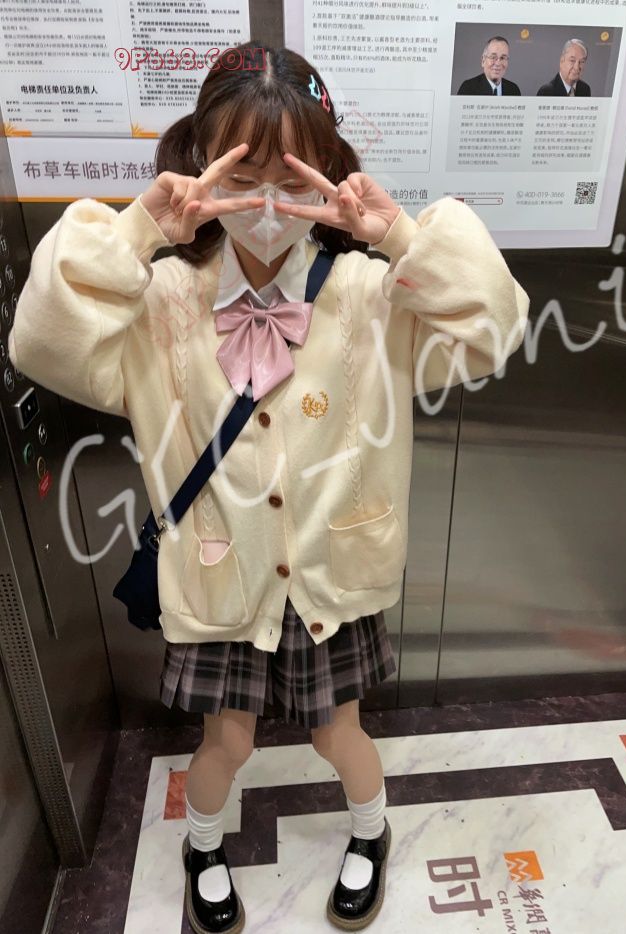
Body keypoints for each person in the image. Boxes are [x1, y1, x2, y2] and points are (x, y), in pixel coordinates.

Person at [9, 42, 529, 934]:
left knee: (339, 732)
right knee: (227, 739)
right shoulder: (156, 298)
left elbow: (495, 326)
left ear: (330, 171)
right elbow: (41, 341)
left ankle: (371, 831)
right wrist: (138, 231)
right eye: (244, 174)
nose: (268, 204)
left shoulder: (373, 293)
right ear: (199, 162)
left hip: (335, 571)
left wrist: (398, 236)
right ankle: (201, 846)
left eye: (293, 177)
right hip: (220, 574)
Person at [456, 36, 522, 96]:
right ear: (483, 61)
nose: (498, 63)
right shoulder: (468, 89)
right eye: (493, 57)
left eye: (503, 58)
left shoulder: (514, 90)